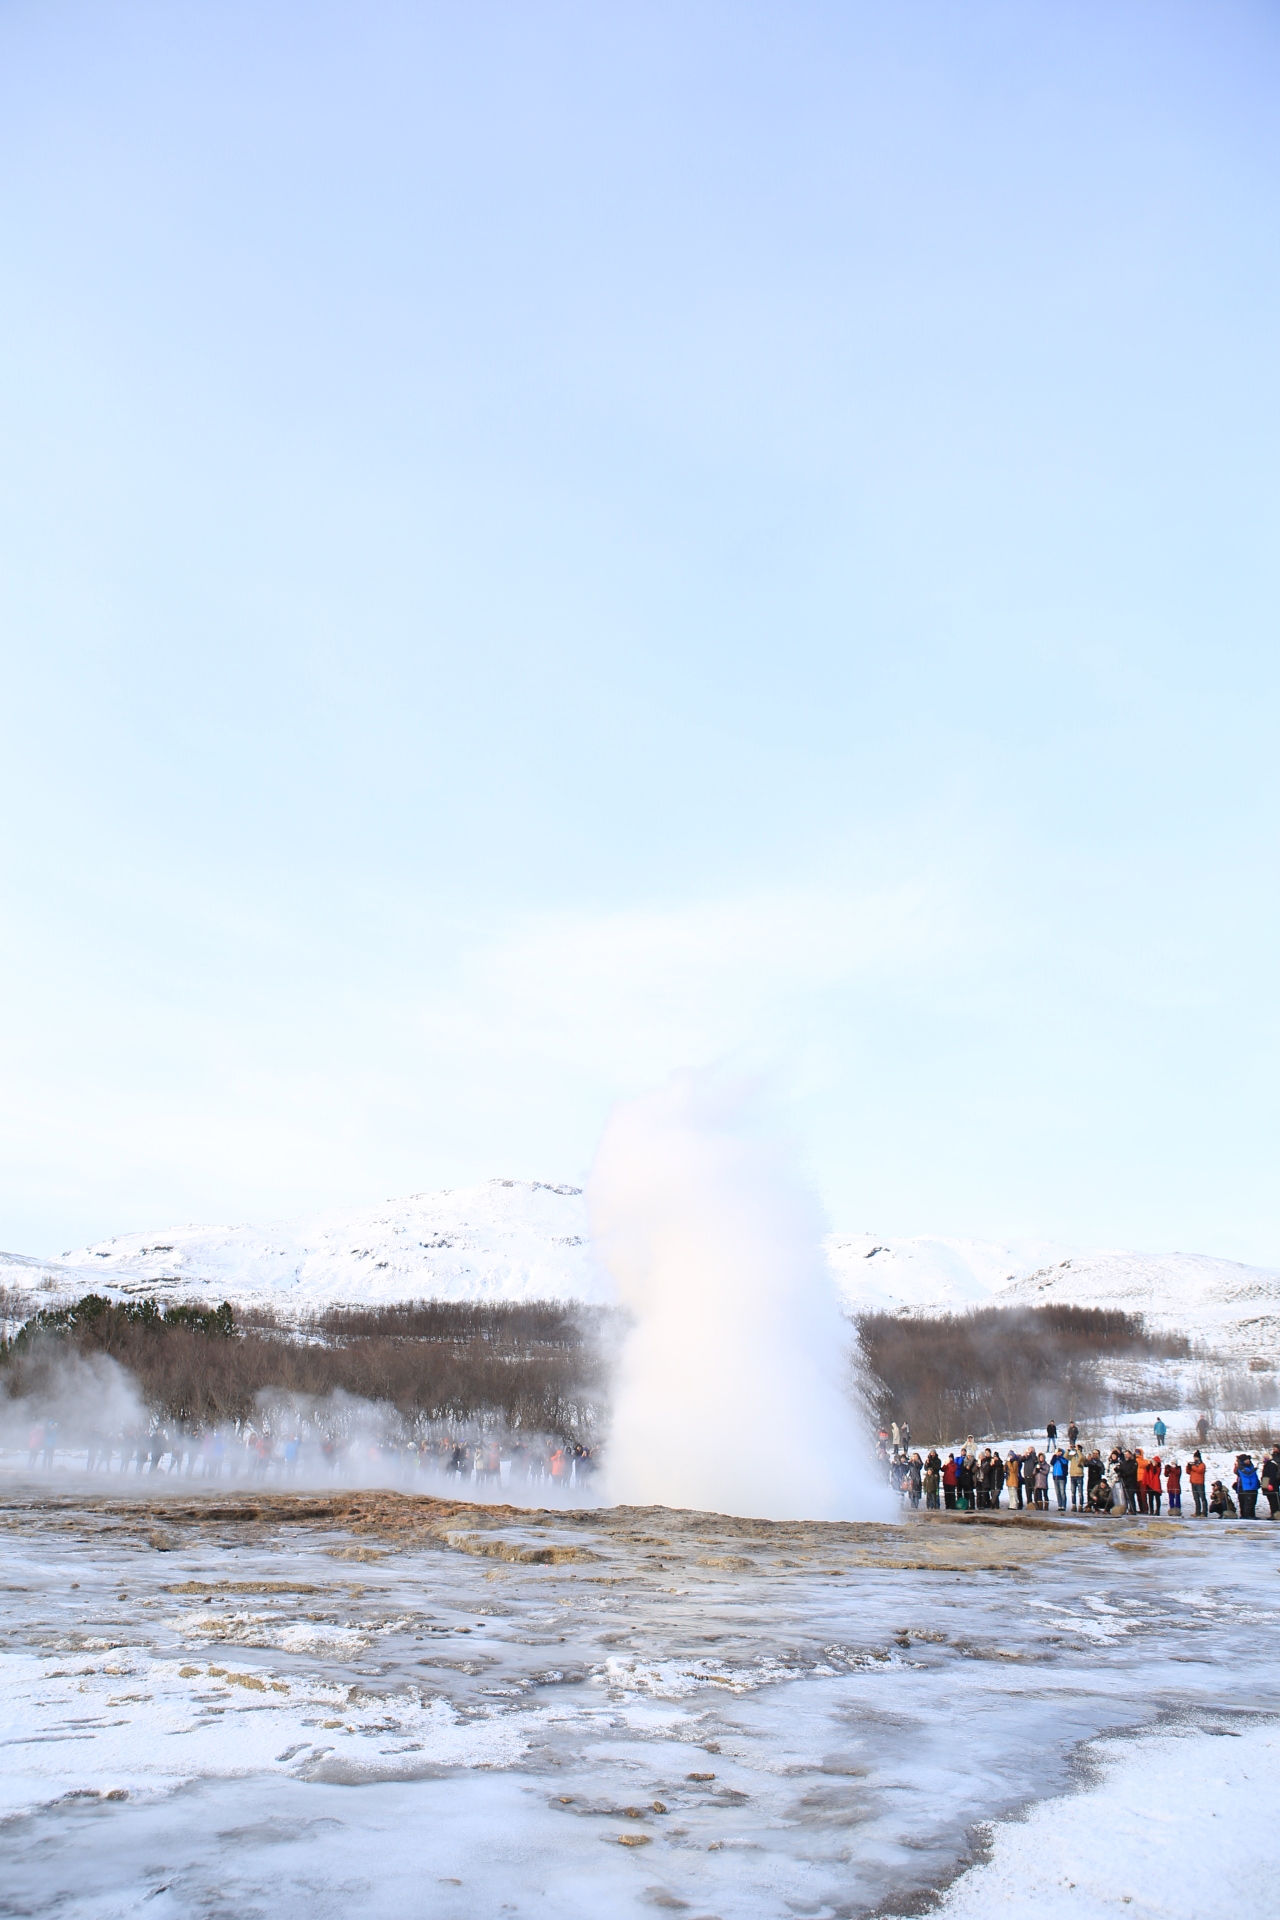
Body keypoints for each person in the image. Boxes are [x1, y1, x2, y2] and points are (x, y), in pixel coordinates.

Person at [1234, 1455, 1260, 1520]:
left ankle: (1252, 1515)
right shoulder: (1241, 1467)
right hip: (1247, 1487)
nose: (1248, 1461)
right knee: (1248, 1502)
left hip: (1253, 1487)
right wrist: (1255, 1469)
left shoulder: (1251, 1466)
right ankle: (1246, 1515)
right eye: (1247, 1460)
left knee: (1253, 1502)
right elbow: (1247, 1474)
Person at [1260, 1447, 1280, 1520]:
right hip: (1266, 1485)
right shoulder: (1266, 1465)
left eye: (1265, 1457)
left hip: (1271, 1485)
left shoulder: (1271, 1465)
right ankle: (1273, 1513)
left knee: (1274, 1501)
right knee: (1270, 1500)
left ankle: (1275, 1513)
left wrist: (1270, 1484)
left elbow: (1272, 1476)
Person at [1187, 1449, 1208, 1516]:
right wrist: (1188, 1467)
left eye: (1196, 1457)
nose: (1195, 1459)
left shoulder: (1202, 1465)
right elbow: (1188, 1472)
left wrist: (1192, 1467)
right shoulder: (1194, 1465)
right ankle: (1197, 1511)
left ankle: (1204, 1512)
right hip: (1193, 1483)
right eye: (1194, 1457)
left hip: (1200, 1483)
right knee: (1196, 1498)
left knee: (1202, 1498)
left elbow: (1199, 1471)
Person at [1067, 1444, 1087, 1511]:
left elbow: (1081, 1457)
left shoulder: (1082, 1456)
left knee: (1080, 1492)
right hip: (1072, 1476)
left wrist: (1078, 1450)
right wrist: (1069, 1450)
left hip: (1079, 1476)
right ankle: (1073, 1505)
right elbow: (1065, 1456)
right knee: (1073, 1492)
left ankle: (1080, 1505)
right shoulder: (1073, 1456)